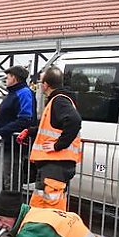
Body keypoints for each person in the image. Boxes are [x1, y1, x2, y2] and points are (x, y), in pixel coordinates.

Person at [17, 66, 82, 210]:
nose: (40, 85)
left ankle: (50, 230)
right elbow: (50, 125)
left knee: (52, 206)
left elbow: (74, 120)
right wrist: (30, 131)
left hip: (56, 163)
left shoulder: (59, 101)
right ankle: (36, 229)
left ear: (46, 85)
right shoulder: (56, 101)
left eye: (41, 82)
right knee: (40, 202)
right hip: (52, 163)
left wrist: (58, 145)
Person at [0, 65, 37, 227]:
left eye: (8, 76)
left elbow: (25, 119)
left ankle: (10, 218)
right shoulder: (13, 93)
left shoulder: (24, 93)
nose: (6, 78)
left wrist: (3, 132)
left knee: (9, 182)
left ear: (15, 78)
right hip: (4, 145)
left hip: (13, 146)